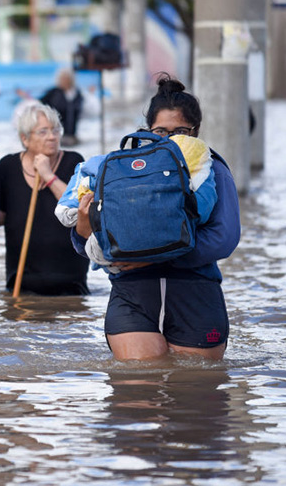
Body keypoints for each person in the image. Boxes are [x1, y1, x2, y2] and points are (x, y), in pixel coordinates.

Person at [73, 75, 241, 361]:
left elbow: (223, 239)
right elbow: (87, 243)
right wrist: (81, 227)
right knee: (137, 392)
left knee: (194, 393)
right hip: (133, 296)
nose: (171, 139)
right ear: (147, 130)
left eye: (181, 131)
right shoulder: (124, 169)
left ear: (195, 132)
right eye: (161, 131)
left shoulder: (214, 171)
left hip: (195, 295)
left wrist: (150, 257)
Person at [0, 103, 89, 295]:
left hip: (70, 280)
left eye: (56, 130)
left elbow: (79, 207)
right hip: (21, 278)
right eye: (43, 131)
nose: (52, 137)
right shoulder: (8, 166)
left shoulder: (73, 162)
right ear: (25, 138)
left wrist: (49, 176)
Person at [40, 68, 84, 146]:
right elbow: (40, 103)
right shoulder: (53, 92)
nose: (65, 81)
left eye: (67, 79)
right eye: (63, 79)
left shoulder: (76, 93)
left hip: (71, 132)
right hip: (55, 132)